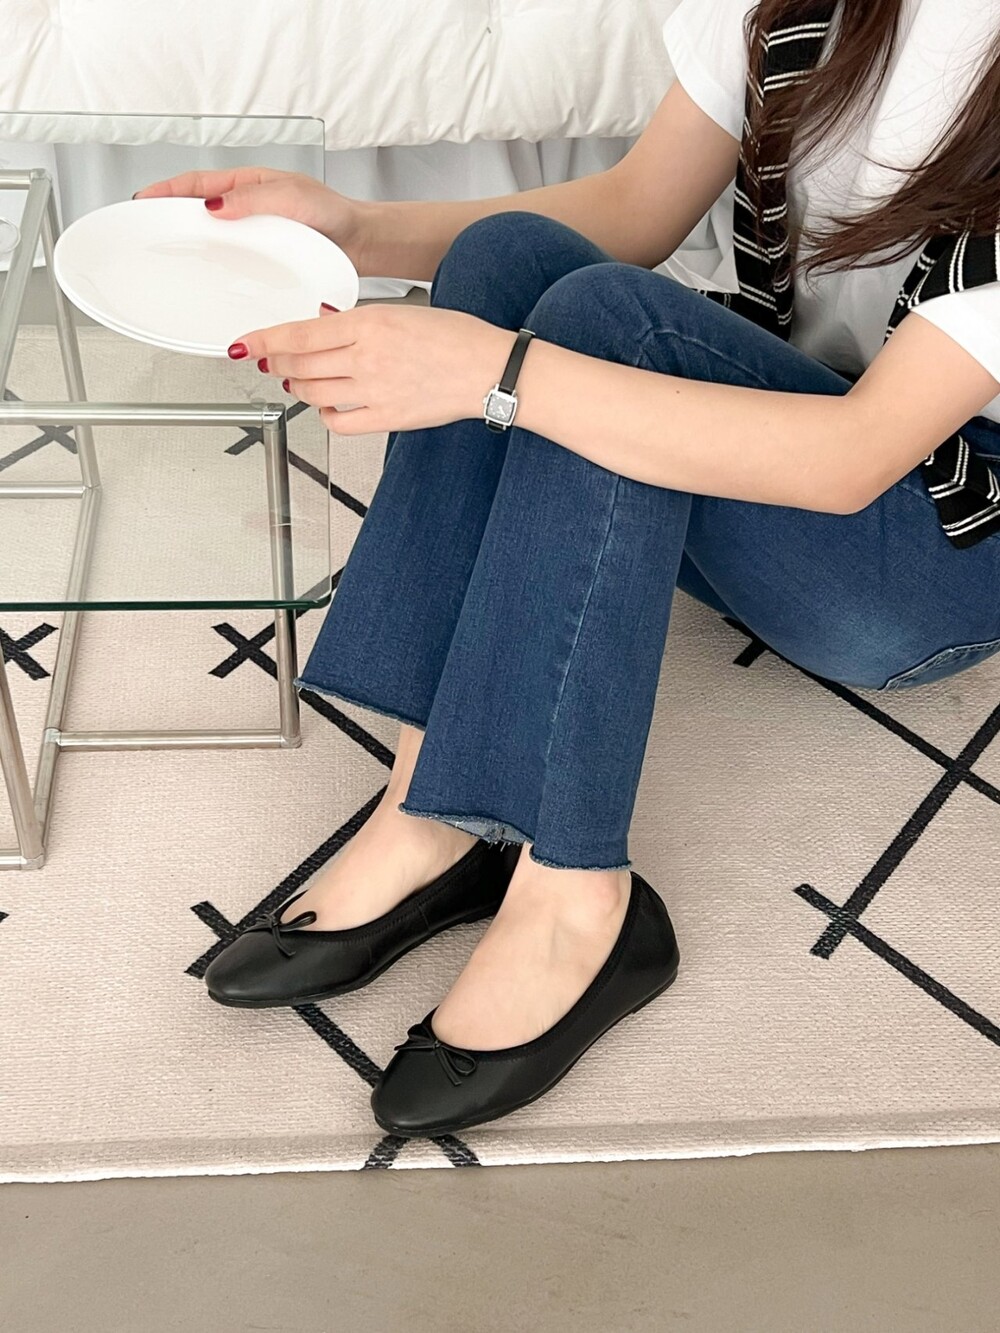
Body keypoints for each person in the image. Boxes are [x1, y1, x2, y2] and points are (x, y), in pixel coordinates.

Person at [136, 0, 1000, 1139]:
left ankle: (577, 901)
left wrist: (494, 375)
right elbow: (634, 208)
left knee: (605, 327)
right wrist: (351, 230)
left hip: (933, 545)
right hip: (792, 419)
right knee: (508, 259)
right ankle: (434, 810)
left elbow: (853, 458)